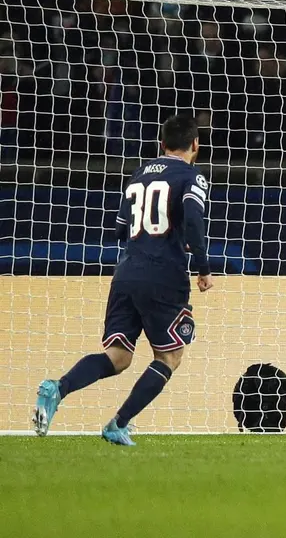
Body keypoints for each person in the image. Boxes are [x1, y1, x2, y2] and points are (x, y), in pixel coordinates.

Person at [33, 115, 214, 446]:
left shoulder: (138, 176)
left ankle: (57, 388)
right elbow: (192, 218)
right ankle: (118, 423)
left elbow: (120, 229)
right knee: (169, 357)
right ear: (195, 146)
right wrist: (202, 267)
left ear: (162, 144)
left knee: (118, 356)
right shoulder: (192, 177)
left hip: (127, 271)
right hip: (163, 275)